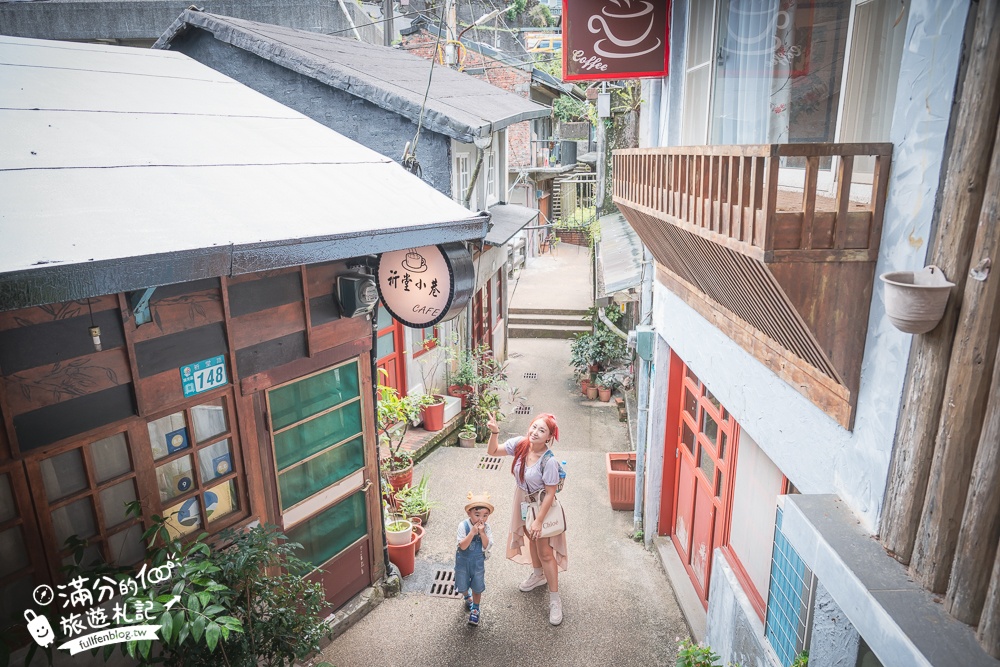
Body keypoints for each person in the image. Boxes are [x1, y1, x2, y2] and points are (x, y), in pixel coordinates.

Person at [486, 412, 567, 626]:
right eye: (534, 427)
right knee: (531, 539)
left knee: (545, 551)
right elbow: (493, 451)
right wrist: (495, 432)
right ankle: (538, 574)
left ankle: (555, 599)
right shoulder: (521, 444)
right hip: (523, 501)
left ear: (549, 437)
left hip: (540, 505)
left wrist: (539, 521)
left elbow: (550, 493)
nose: (535, 432)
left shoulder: (549, 461)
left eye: (542, 430)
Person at [455, 491, 493, 627]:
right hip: (463, 563)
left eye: (485, 515)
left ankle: (475, 609)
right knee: (462, 584)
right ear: (469, 513)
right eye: (477, 515)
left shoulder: (486, 528)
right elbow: (463, 546)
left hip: (477, 564)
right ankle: (467, 596)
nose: (481, 519)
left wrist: (482, 533)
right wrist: (472, 532)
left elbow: (486, 546)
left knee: (477, 586)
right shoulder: (463, 526)